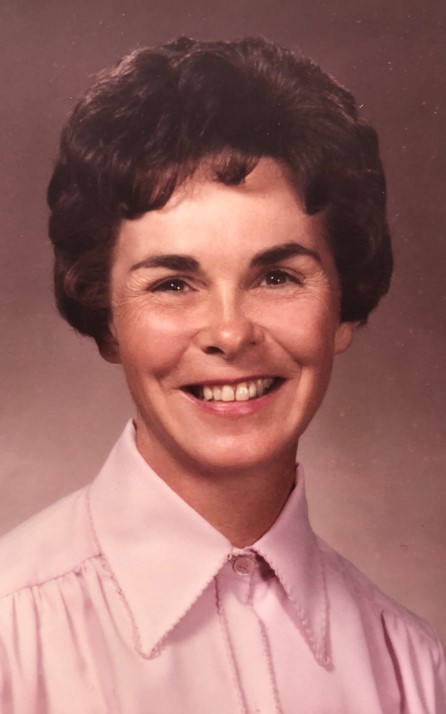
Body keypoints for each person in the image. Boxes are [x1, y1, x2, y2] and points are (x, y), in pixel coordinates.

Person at [0, 36, 444, 713]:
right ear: (107, 319)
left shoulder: (413, 669)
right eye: (173, 283)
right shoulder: (10, 634)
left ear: (344, 307)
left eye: (277, 276)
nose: (231, 334)